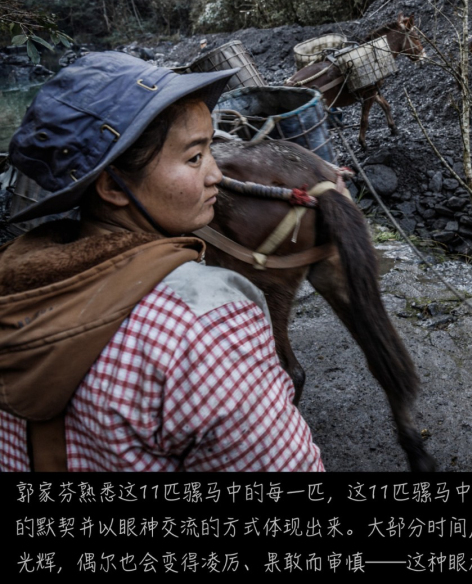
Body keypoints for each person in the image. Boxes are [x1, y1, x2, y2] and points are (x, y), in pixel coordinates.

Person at [0, 51, 323, 472]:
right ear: (112, 187)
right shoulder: (205, 330)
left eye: (210, 151)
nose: (215, 175)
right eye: (194, 158)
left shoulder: (15, 287)